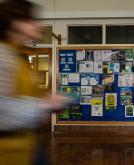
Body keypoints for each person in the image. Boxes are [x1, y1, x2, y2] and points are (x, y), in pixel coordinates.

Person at [0, 0, 70, 164]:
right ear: (13, 23)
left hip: (30, 146)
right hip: (9, 154)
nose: (38, 24)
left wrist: (44, 104)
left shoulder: (19, 55)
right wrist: (43, 105)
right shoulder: (2, 55)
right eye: (30, 19)